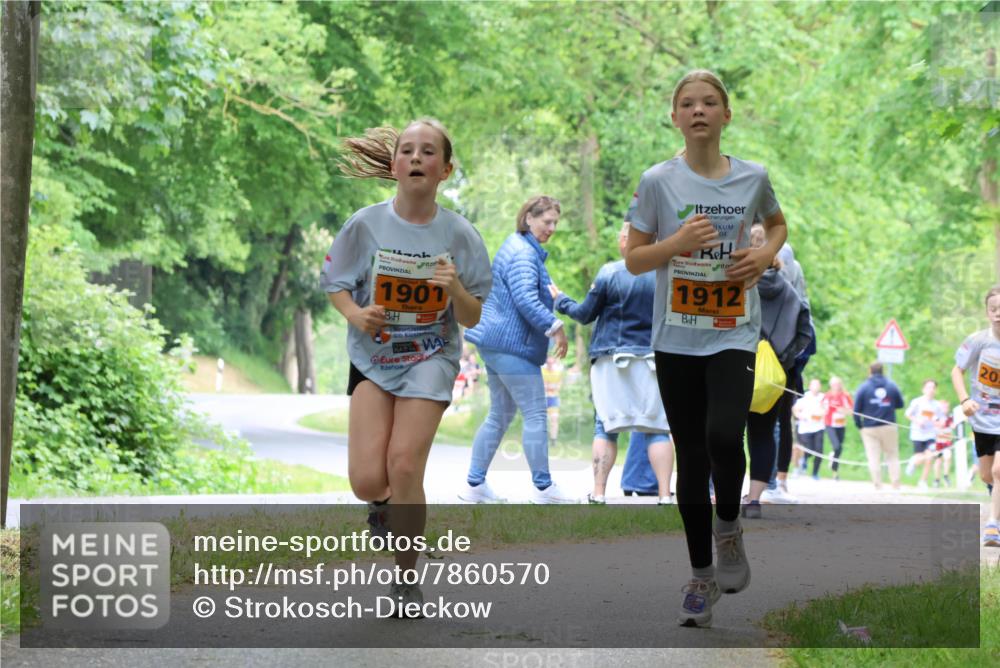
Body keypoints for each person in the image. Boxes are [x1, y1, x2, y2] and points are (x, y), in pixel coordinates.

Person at [625, 69, 787, 628]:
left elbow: (778, 224)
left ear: (725, 115)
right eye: (687, 103)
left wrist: (764, 258)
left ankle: (728, 530)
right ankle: (700, 576)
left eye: (709, 102)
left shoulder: (752, 178)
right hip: (676, 335)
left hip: (734, 329)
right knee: (691, 453)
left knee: (724, 434)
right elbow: (636, 258)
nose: (698, 111)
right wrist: (677, 243)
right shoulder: (657, 181)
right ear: (675, 117)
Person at [321, 119, 492, 616]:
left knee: (404, 464)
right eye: (408, 151)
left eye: (428, 152)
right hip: (373, 357)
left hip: (430, 356)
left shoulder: (460, 234)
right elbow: (336, 282)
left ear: (445, 169)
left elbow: (472, 315)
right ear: (394, 165)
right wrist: (357, 313)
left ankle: (405, 579)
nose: (417, 158)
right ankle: (382, 508)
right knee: (367, 481)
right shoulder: (365, 224)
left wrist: (454, 289)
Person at [460, 196, 577, 504]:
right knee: (536, 413)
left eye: (555, 223)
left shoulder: (518, 246)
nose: (551, 228)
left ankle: (474, 485)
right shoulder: (525, 255)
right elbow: (525, 299)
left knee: (499, 415)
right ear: (528, 218)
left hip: (495, 343)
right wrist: (555, 327)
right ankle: (544, 488)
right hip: (512, 346)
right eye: (546, 221)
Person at [551, 220, 674, 505]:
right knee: (657, 428)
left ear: (627, 241)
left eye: (623, 236)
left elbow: (584, 314)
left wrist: (562, 301)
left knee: (605, 427)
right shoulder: (666, 275)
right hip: (654, 359)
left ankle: (599, 493)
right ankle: (665, 495)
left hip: (611, 359)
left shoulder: (610, 272)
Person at [742, 226, 811, 519]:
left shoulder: (737, 284)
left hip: (736, 366)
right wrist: (783, 358)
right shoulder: (787, 289)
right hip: (773, 377)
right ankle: (755, 500)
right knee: (763, 433)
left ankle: (726, 495)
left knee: (730, 434)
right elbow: (805, 331)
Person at [951, 285, 1000, 547]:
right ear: (987, 313)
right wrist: (965, 400)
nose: (999, 314)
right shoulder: (978, 341)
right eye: (994, 309)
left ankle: (993, 525)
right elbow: (956, 371)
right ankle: (997, 502)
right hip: (982, 419)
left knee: (999, 469)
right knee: (986, 475)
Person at [854, 362, 905, 490]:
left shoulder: (863, 387)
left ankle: (878, 484)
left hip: (869, 428)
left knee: (873, 456)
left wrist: (859, 425)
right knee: (892, 455)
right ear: (883, 371)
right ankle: (895, 483)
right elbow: (900, 404)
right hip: (889, 425)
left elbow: (856, 410)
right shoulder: (892, 385)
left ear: (870, 371)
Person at [904, 379, 946, 489]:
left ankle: (923, 481)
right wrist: (917, 421)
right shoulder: (917, 402)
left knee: (930, 456)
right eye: (928, 387)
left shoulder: (937, 405)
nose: (931, 390)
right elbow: (908, 414)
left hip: (930, 435)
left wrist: (938, 423)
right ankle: (913, 462)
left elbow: (941, 420)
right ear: (923, 389)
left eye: (933, 387)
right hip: (917, 434)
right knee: (919, 458)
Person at [793, 379, 827, 480]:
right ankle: (804, 460)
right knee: (808, 449)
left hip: (819, 427)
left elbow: (826, 410)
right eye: (814, 385)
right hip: (805, 428)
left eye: (818, 385)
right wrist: (800, 416)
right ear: (810, 386)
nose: (816, 387)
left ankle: (815, 473)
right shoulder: (804, 396)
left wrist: (822, 413)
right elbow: (795, 409)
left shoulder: (823, 397)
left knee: (819, 450)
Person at [822, 376, 853, 481]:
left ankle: (835, 471)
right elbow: (821, 408)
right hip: (830, 425)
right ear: (831, 385)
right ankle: (834, 467)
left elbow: (851, 411)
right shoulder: (827, 396)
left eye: (838, 384)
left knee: (839, 449)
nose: (836, 386)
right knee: (837, 446)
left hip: (841, 425)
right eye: (834, 384)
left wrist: (843, 410)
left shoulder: (845, 396)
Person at [541, 356, 565, 443]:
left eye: (552, 363)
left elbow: (558, 385)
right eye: (548, 363)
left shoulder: (558, 371)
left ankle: (553, 439)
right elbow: (543, 385)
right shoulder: (542, 370)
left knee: (554, 419)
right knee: (541, 419)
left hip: (553, 398)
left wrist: (551, 387)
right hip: (543, 398)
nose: (550, 365)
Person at [931, 399, 954, 488]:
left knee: (948, 457)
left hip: (947, 442)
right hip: (938, 442)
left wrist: (950, 423)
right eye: (943, 407)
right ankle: (936, 479)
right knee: (938, 460)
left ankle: (946, 476)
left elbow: (953, 425)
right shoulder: (936, 416)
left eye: (946, 407)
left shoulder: (950, 416)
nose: (945, 408)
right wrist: (945, 423)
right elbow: (937, 424)